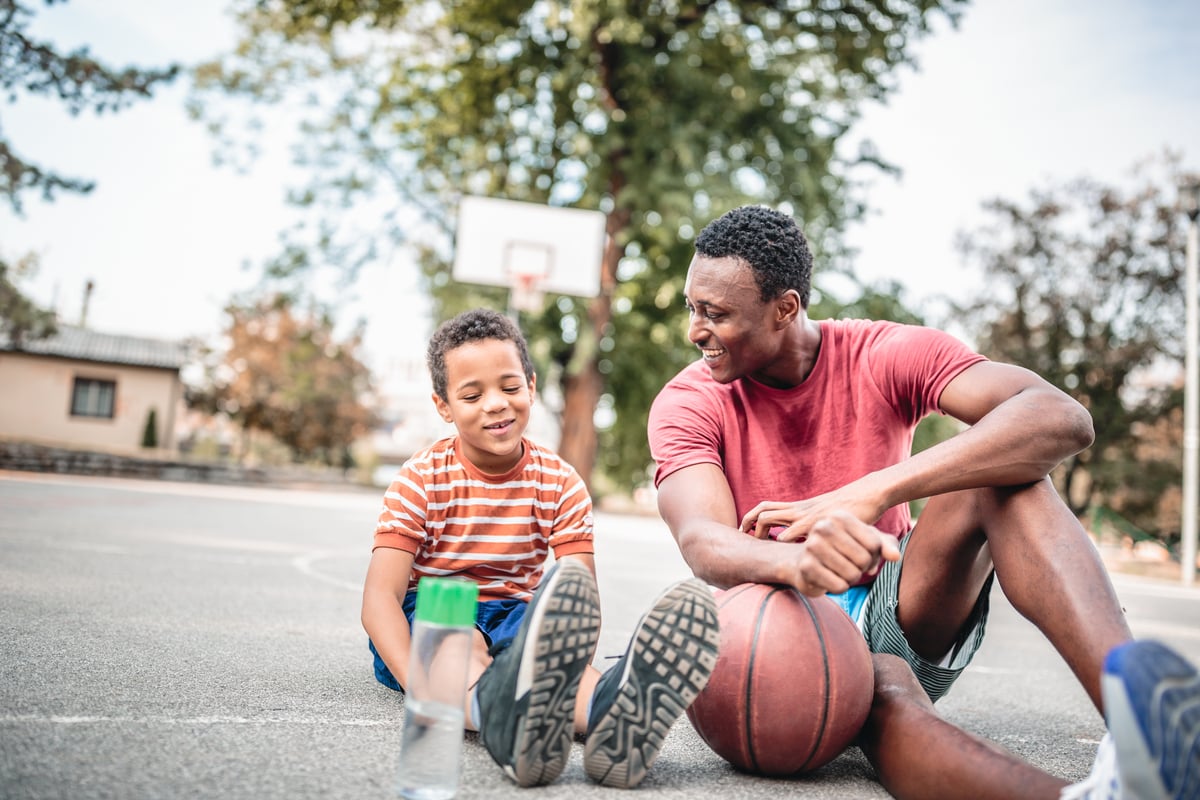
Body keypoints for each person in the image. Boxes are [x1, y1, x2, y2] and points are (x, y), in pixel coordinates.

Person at [647, 204, 1200, 800]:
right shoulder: (688, 401)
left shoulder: (879, 353)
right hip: (770, 631)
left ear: (785, 308)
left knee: (1003, 475)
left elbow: (1062, 418)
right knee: (883, 686)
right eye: (692, 307)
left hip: (894, 600)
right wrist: (797, 565)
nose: (694, 330)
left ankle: (1140, 722)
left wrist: (871, 491)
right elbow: (703, 542)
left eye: (716, 313)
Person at [362, 307, 719, 790]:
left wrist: (574, 669)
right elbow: (379, 600)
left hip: (516, 612)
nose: (496, 404)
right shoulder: (420, 479)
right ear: (443, 406)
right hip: (432, 612)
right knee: (461, 643)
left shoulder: (560, 482)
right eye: (472, 395)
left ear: (531, 385)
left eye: (510, 387)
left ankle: (614, 713)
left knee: (556, 673)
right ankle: (496, 712)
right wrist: (419, 684)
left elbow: (577, 597)